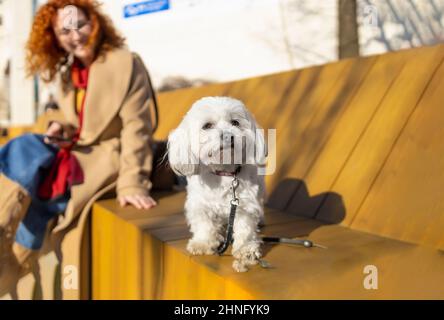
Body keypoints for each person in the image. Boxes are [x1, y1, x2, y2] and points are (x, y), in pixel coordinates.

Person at [0, 0, 158, 295]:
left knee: (23, 148)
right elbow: (76, 117)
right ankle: (7, 277)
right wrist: (59, 125)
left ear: (95, 22)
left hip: (106, 158)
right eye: (64, 30)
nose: (75, 35)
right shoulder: (67, 74)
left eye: (80, 24)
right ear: (55, 38)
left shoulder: (125, 63)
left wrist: (132, 184)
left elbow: (138, 127)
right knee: (36, 205)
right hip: (73, 158)